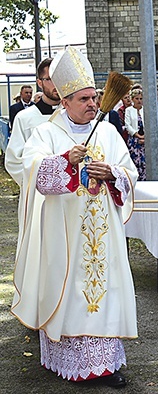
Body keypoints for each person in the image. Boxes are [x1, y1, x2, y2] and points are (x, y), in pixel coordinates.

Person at [11, 47, 138, 388]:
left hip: (103, 237)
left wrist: (112, 173)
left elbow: (130, 172)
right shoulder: (46, 134)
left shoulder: (109, 133)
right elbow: (32, 171)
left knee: (104, 290)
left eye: (94, 98)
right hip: (64, 235)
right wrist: (65, 160)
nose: (92, 104)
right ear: (64, 101)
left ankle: (106, 365)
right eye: (84, 99)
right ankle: (70, 362)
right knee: (69, 292)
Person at [4, 57, 62, 268]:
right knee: (41, 253)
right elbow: (13, 160)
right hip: (40, 197)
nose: (56, 85)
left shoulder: (75, 116)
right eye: (49, 79)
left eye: (59, 78)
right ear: (40, 82)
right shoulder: (25, 118)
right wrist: (40, 181)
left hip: (72, 197)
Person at [124, 88, 146, 180]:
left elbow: (149, 123)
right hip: (134, 140)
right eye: (137, 99)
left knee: (145, 162)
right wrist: (137, 135)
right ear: (132, 99)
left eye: (141, 99)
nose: (139, 101)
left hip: (145, 139)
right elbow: (127, 125)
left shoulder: (145, 110)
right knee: (135, 161)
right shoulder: (129, 110)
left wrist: (145, 137)